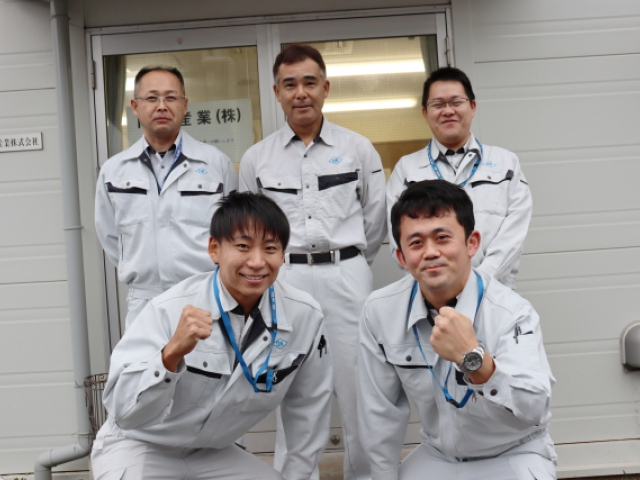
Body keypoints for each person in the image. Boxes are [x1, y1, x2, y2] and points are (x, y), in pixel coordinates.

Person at [91, 192, 333, 480]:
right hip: (139, 444)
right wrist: (170, 354)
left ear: (282, 255)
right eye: (243, 246)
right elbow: (124, 412)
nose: (257, 262)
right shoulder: (168, 308)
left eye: (270, 248)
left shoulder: (305, 316)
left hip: (214, 453)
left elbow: (308, 413)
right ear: (214, 249)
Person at [239, 44, 385, 480]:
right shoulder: (257, 158)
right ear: (276, 92)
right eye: (290, 85)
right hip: (285, 281)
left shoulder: (358, 149)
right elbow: (250, 229)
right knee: (292, 389)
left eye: (309, 82)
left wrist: (349, 260)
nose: (300, 93)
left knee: (359, 389)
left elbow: (375, 218)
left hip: (347, 274)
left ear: (325, 87)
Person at [358, 180, 556, 480]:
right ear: (401, 257)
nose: (430, 252)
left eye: (442, 238)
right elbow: (379, 413)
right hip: (438, 456)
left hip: (514, 452)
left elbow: (534, 408)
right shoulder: (380, 311)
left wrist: (472, 357)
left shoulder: (512, 312)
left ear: (471, 243)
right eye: (416, 243)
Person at [95, 65, 238, 328]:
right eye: (151, 98)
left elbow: (233, 232)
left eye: (171, 97)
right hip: (144, 301)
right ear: (135, 106)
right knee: (148, 356)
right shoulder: (114, 171)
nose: (161, 106)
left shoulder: (216, 164)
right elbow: (110, 236)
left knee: (208, 355)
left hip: (205, 295)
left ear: (185, 105)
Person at [386, 67, 532, 289]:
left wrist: (480, 281)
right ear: (425, 113)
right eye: (438, 104)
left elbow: (515, 232)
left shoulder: (505, 163)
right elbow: (399, 236)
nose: (448, 111)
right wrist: (438, 281)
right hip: (431, 292)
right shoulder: (406, 169)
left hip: (493, 289)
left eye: (456, 102)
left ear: (472, 107)